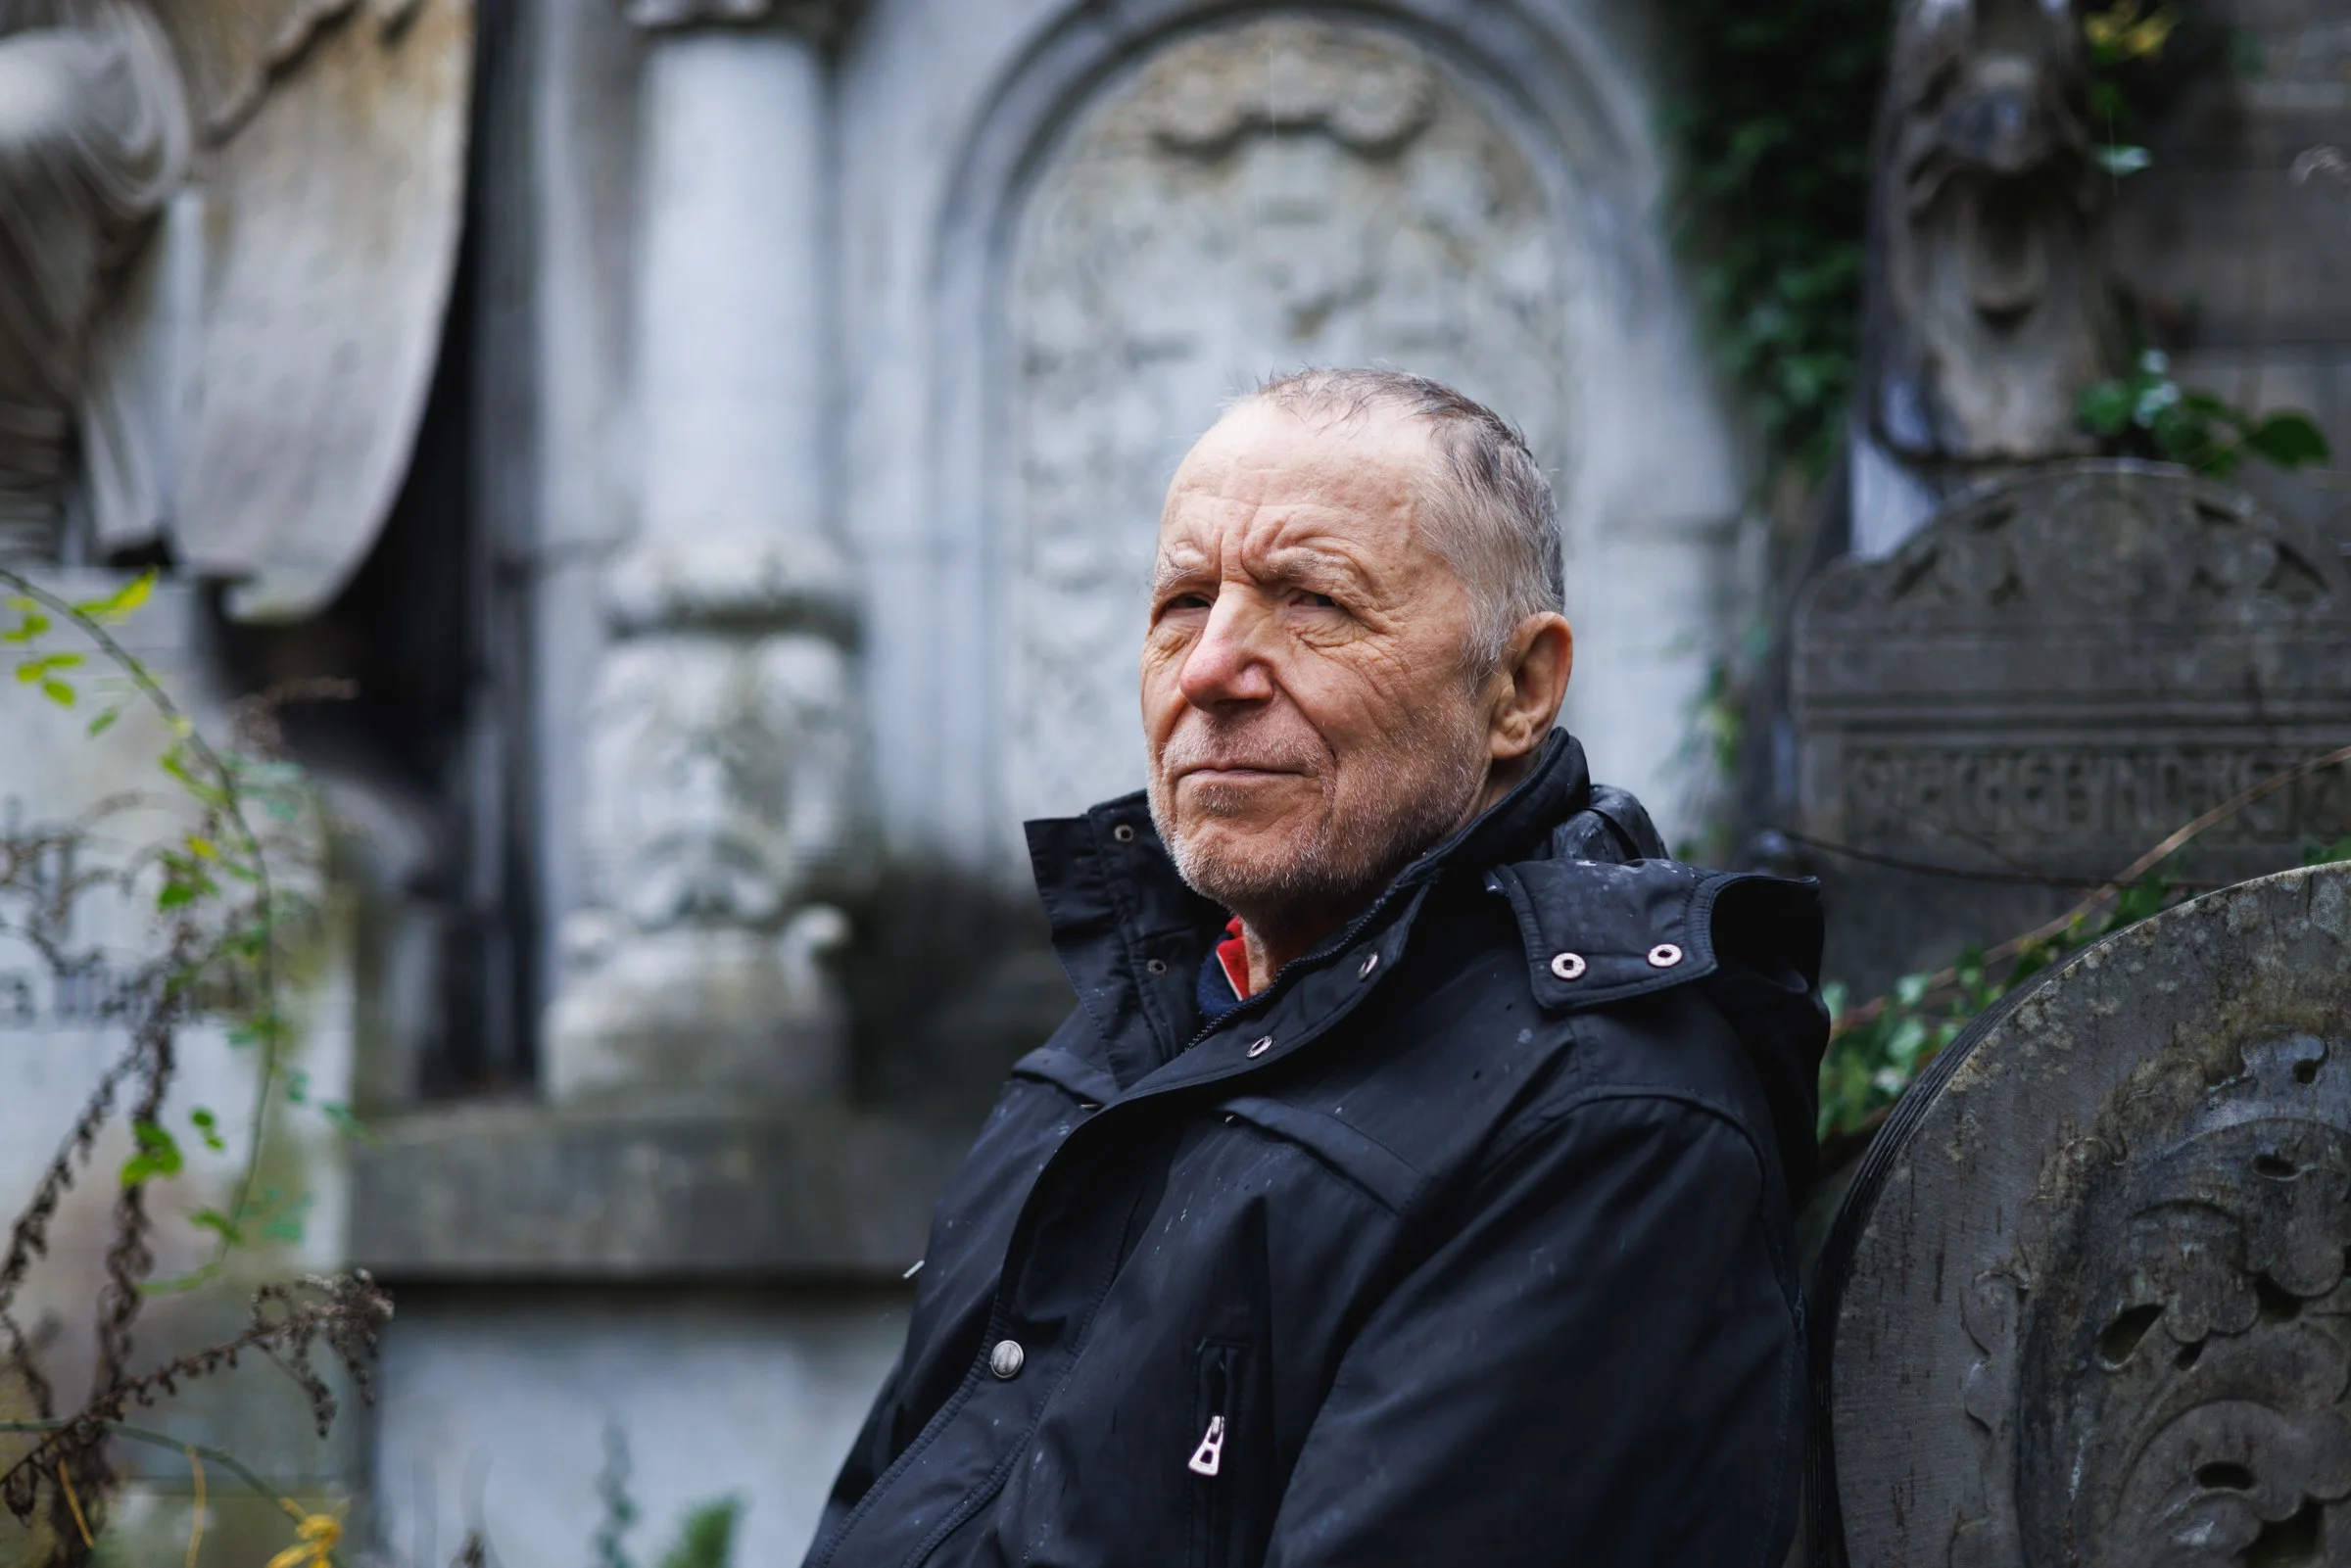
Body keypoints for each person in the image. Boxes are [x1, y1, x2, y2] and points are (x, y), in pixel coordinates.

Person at [805, 368, 1826, 1568]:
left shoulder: (1603, 1112)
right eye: (1185, 601)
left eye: (1313, 602)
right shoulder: (1129, 1036)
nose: (1209, 668)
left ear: (1518, 689)